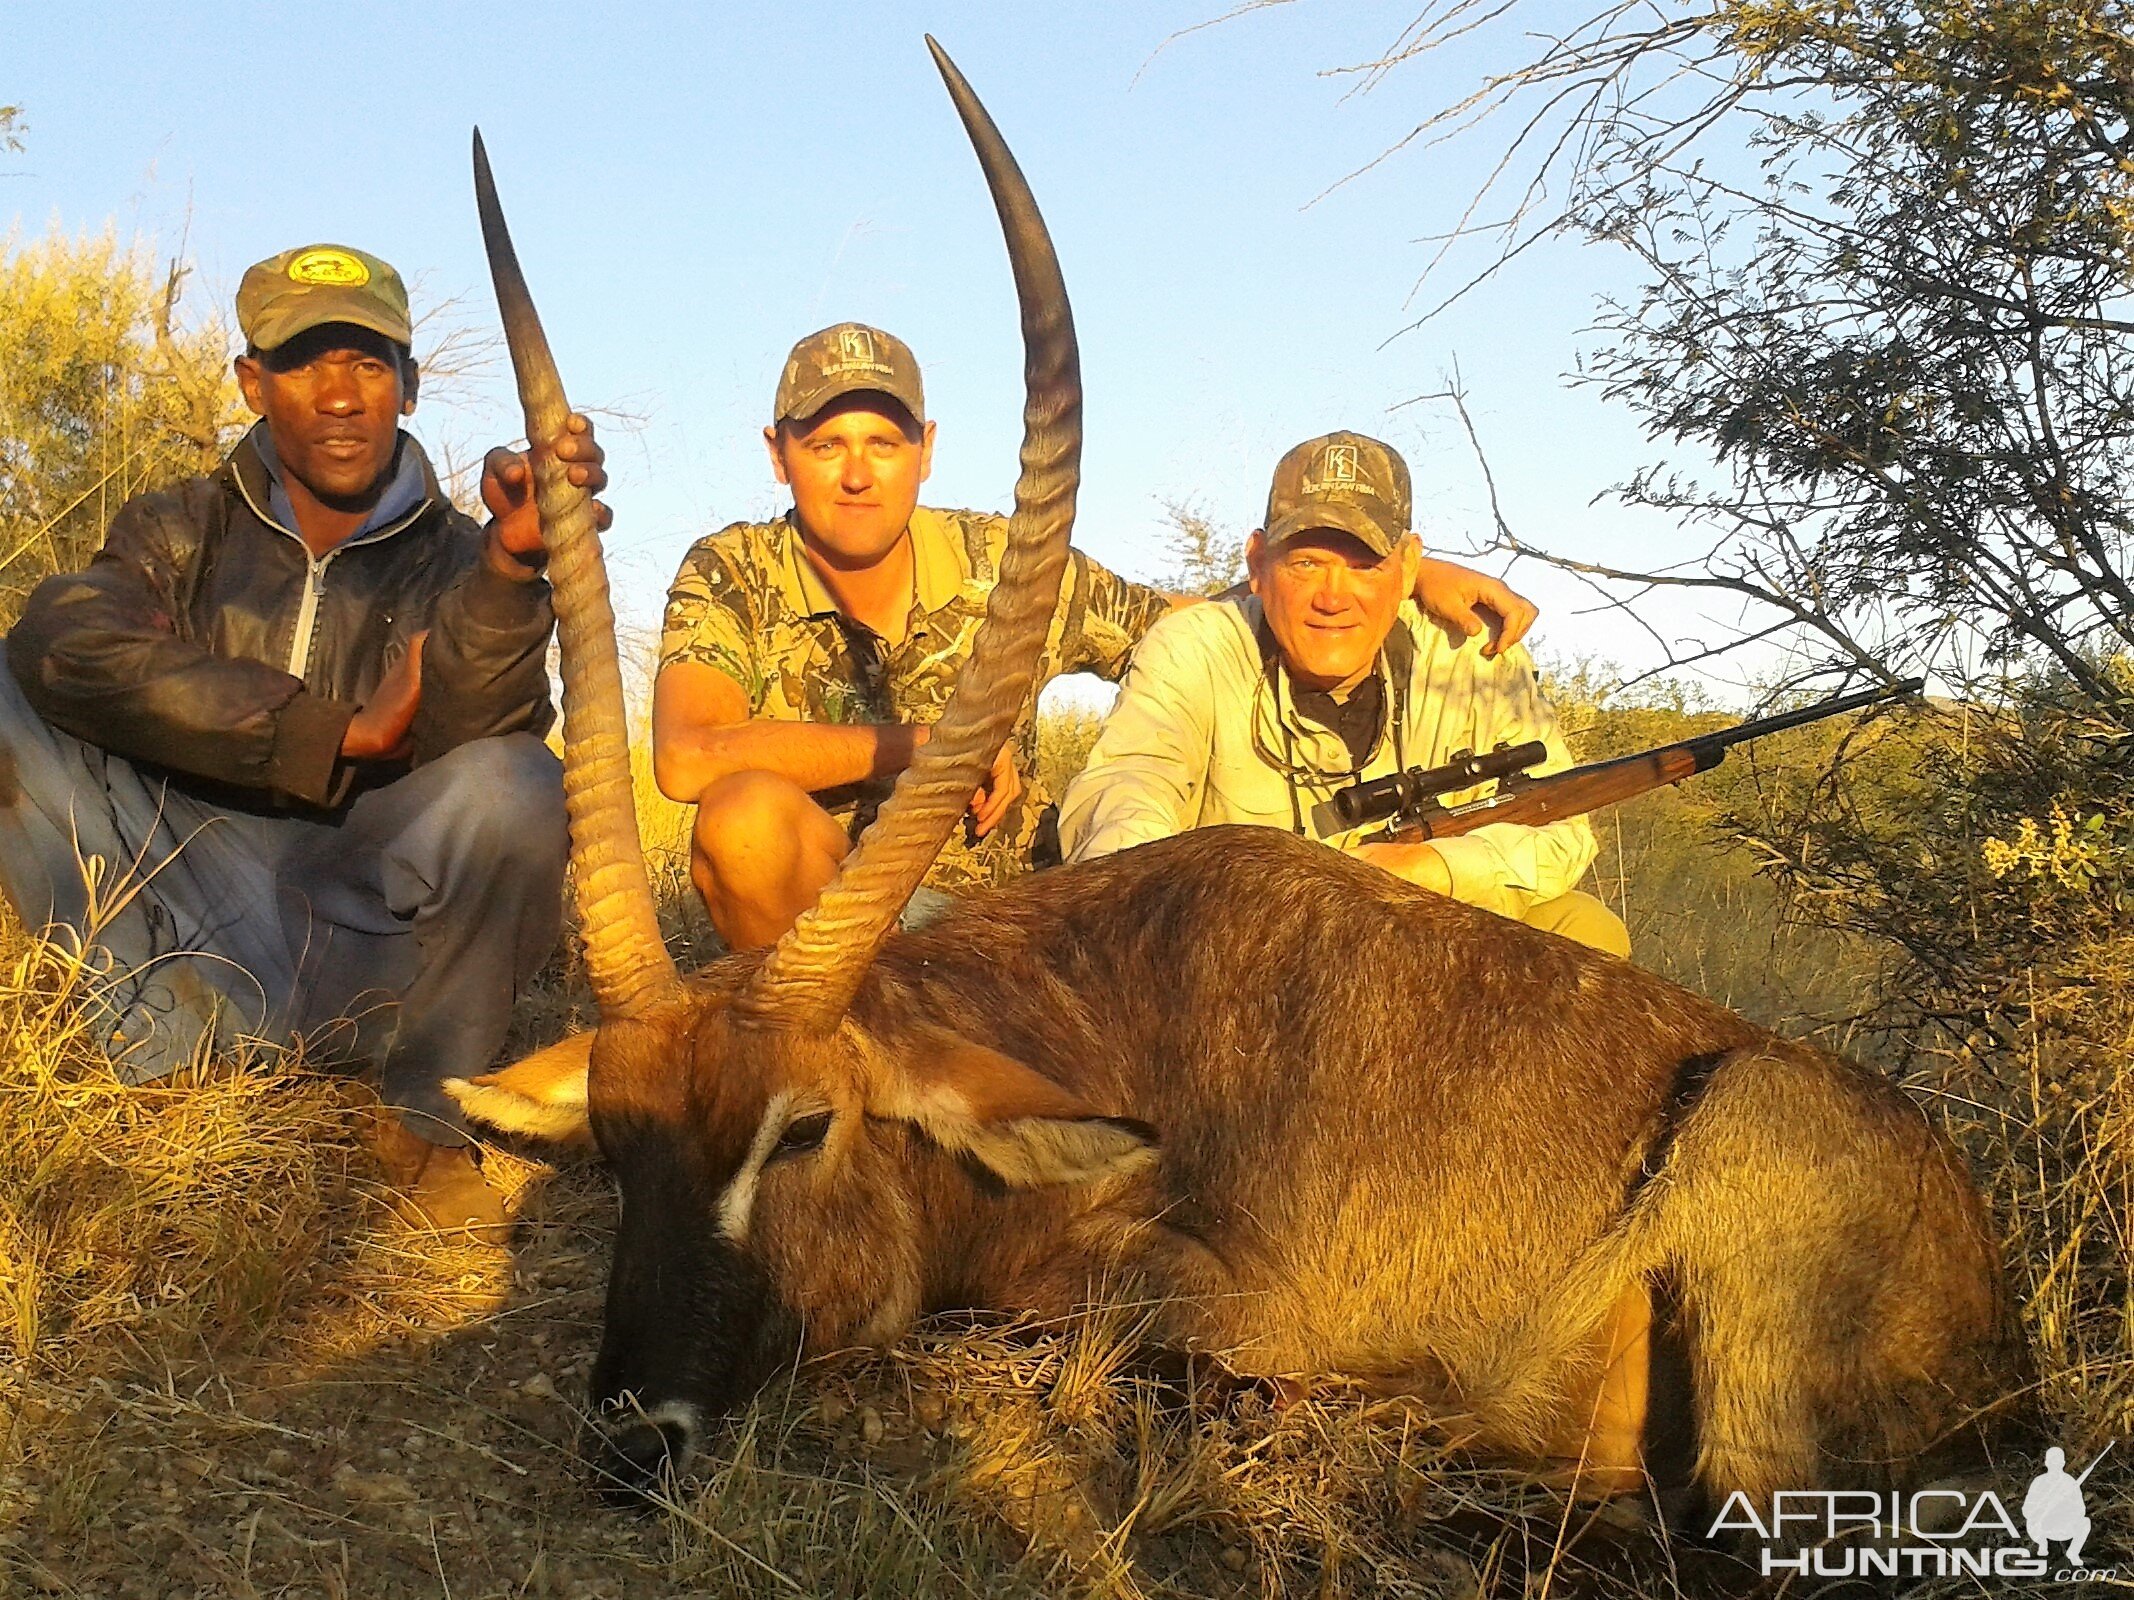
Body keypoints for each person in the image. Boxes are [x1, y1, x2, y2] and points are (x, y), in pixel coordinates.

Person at [0, 243, 609, 1234]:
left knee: (516, 784)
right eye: (305, 361)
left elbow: (481, 743)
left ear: (409, 388)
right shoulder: (176, 528)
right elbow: (65, 640)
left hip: (365, 944)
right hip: (190, 908)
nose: (339, 396)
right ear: (252, 382)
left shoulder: (467, 555)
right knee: (10, 684)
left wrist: (508, 567)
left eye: (369, 364)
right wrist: (327, 731)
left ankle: (424, 1117)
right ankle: (166, 1060)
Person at [654, 324, 1540, 948]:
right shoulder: (733, 571)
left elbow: (1202, 630)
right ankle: (804, 1092)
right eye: (825, 443)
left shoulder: (1012, 561)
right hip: (843, 927)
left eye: (883, 442)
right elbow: (689, 760)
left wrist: (1397, 580)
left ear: (925, 448)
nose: (856, 473)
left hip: (1025, 935)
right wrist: (931, 746)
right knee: (743, 823)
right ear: (779, 453)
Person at [1058, 429, 1629, 958]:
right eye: (1307, 563)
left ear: (1407, 569)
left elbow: (1562, 832)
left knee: (1585, 931)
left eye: (1365, 566)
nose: (1333, 597)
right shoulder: (1195, 646)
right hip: (1245, 961)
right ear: (1257, 564)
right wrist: (1185, 907)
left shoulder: (1472, 652)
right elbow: (1125, 788)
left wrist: (1428, 867)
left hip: (1425, 943)